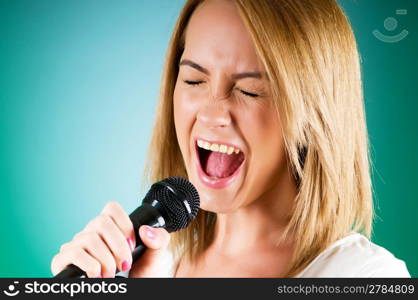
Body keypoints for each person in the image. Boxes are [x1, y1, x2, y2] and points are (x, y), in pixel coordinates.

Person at [51, 0, 410, 278]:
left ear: (316, 113)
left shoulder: (367, 275)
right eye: (194, 81)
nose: (211, 113)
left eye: (251, 91)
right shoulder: (152, 265)